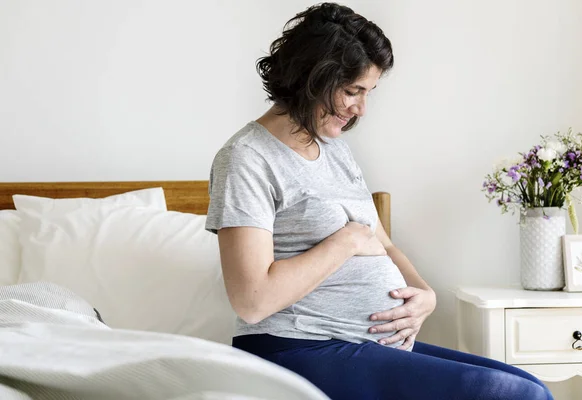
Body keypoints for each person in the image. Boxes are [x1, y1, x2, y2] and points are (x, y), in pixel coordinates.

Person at [206, 3, 553, 400]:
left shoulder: (334, 148)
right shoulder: (246, 157)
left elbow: (382, 243)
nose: (361, 109)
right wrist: (346, 242)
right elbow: (252, 301)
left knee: (532, 386)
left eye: (368, 92)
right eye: (352, 91)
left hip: (364, 345)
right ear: (311, 77)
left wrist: (425, 294)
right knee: (517, 396)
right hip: (296, 347)